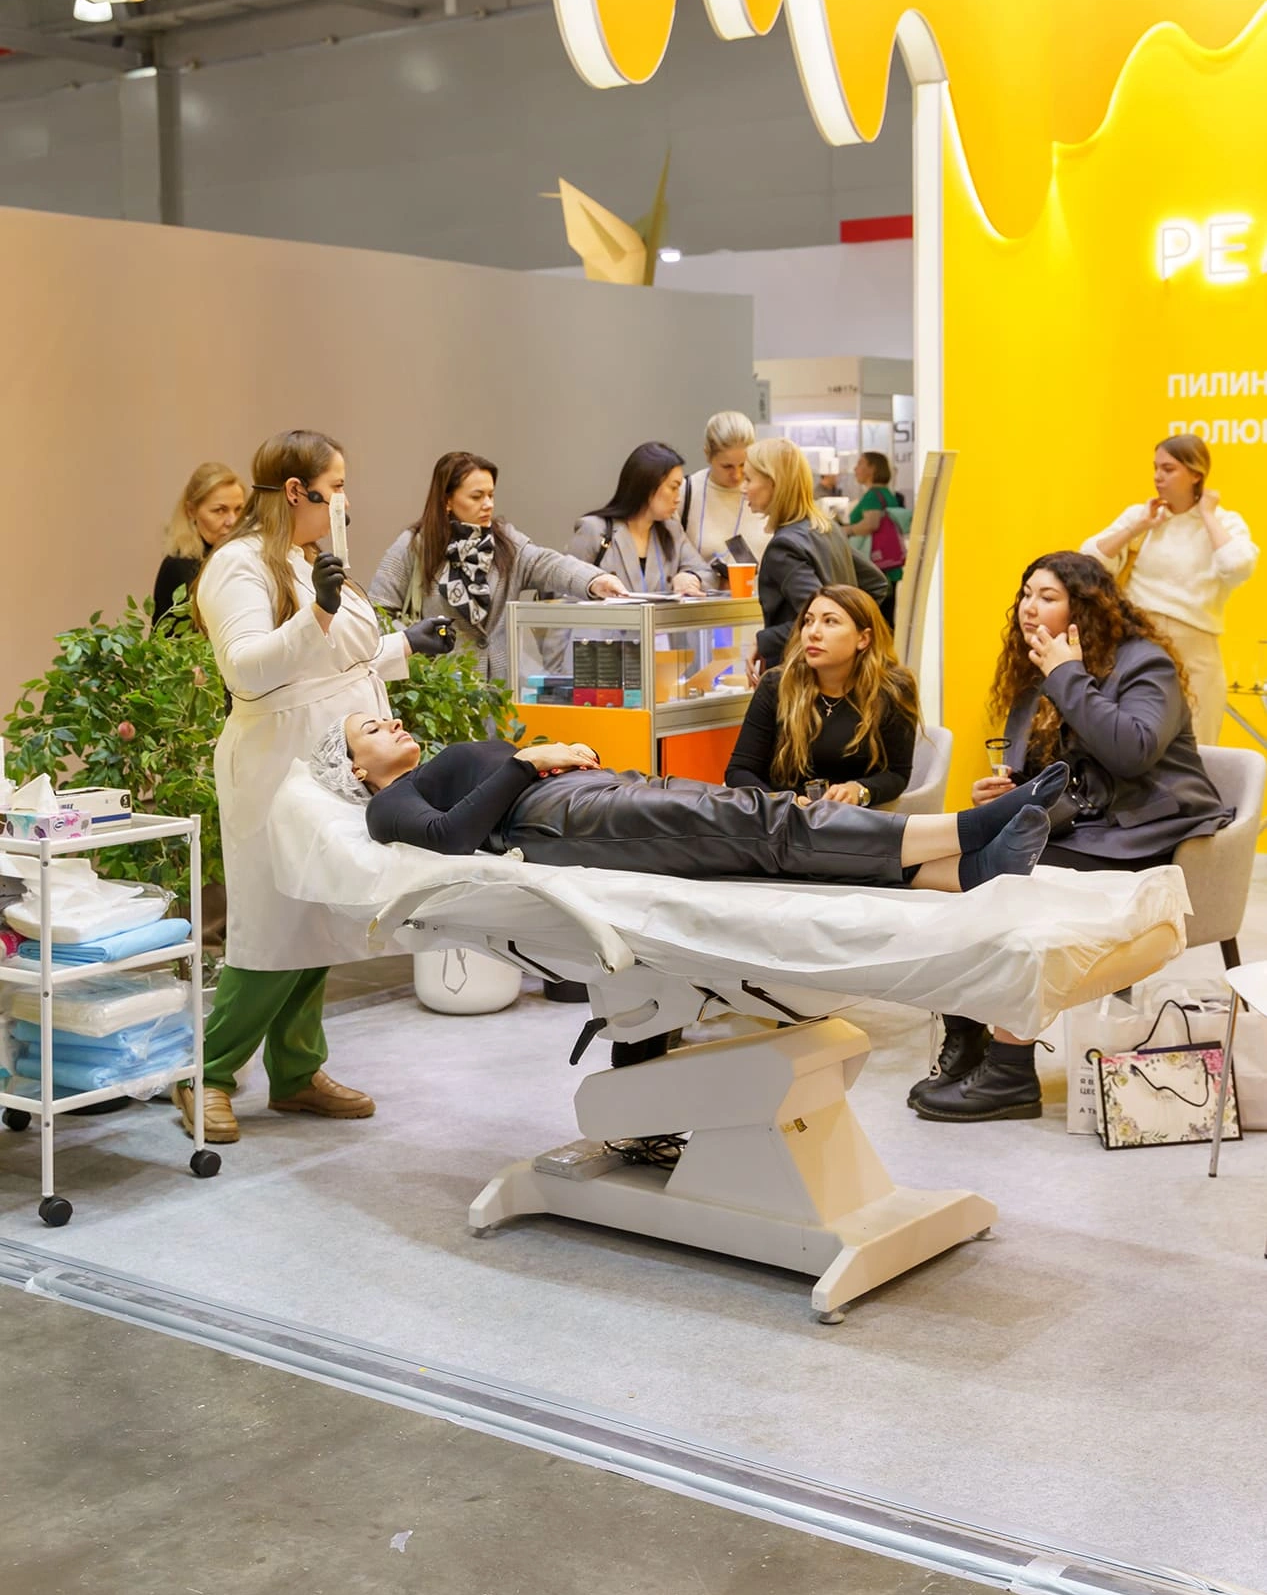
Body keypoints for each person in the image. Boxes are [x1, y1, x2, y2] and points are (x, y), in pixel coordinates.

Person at [177, 428, 452, 1146]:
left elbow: (335, 661)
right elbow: (248, 670)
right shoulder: (239, 565)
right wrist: (319, 610)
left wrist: (404, 644)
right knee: (274, 927)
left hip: (333, 767)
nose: (345, 503)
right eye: (336, 488)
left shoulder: (307, 561)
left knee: (323, 915)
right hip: (278, 767)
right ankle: (206, 1072)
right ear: (297, 492)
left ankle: (297, 1072)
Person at [910, 550, 1234, 1125]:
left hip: (1146, 832)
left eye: (1048, 597)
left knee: (1010, 880)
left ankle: (1010, 1068)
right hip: (1089, 827)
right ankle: (967, 1034)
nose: (1029, 608)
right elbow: (1055, 775)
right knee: (947, 868)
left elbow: (1131, 752)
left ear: (1084, 608)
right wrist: (1007, 793)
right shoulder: (1037, 672)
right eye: (1026, 594)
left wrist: (1066, 675)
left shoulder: (1145, 664)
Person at [318, 715, 1075, 896]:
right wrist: (526, 761)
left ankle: (964, 871)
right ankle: (968, 828)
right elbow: (452, 837)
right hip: (554, 821)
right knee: (758, 825)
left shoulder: (436, 763)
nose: (391, 723)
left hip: (587, 791)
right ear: (356, 768)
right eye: (370, 730)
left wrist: (556, 759)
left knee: (752, 823)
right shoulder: (387, 807)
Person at [370, 451, 624, 680]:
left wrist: (595, 580)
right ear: (447, 500)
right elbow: (378, 611)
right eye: (476, 496)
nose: (488, 504)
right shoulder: (414, 546)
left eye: (491, 495)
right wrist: (415, 643)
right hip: (443, 690)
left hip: (504, 690)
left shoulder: (506, 541)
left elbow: (547, 563)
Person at [1081, 433, 1258, 745]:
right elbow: (1088, 562)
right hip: (1137, 639)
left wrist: (1207, 514)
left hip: (1196, 650)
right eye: (1155, 467)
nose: (1157, 476)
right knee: (1129, 740)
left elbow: (1237, 567)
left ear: (1196, 474)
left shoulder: (1224, 522)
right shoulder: (1143, 515)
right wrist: (1138, 527)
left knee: (1199, 746)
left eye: (1168, 468)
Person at [726, 586, 917, 805]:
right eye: (808, 621)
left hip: (855, 818)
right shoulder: (777, 685)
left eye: (830, 621)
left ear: (863, 638)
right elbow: (739, 771)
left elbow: (897, 774)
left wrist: (859, 790)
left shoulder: (892, 689)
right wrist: (784, 803)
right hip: (783, 818)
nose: (813, 633)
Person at [741, 437, 888, 675]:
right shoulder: (827, 528)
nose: (743, 488)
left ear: (773, 483)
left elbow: (813, 618)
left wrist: (764, 640)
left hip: (802, 674)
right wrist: (848, 629)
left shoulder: (784, 547)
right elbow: (876, 584)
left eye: (749, 479)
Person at [568, 442, 721, 595]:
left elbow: (708, 574)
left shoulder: (672, 530)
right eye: (673, 487)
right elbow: (566, 586)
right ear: (648, 485)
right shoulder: (594, 529)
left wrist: (691, 577)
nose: (678, 498)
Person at [151, 462, 245, 627]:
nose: (232, 521)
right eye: (220, 510)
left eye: (239, 510)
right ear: (191, 511)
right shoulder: (179, 566)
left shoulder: (244, 557)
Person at [680, 411, 772, 567]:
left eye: (743, 464)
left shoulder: (766, 491)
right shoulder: (686, 492)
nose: (737, 475)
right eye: (727, 466)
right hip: (701, 582)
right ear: (708, 455)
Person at [840, 451, 906, 621]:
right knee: (887, 616)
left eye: (860, 464)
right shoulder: (887, 494)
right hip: (889, 564)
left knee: (875, 618)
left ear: (872, 469)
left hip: (877, 565)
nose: (855, 469)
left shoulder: (872, 496)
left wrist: (846, 530)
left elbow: (871, 523)